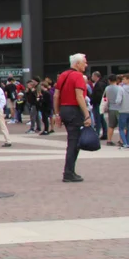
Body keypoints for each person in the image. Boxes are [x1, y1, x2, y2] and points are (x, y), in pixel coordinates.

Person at [53, 53, 91, 183]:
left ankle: (70, 171)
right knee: (74, 143)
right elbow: (79, 96)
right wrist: (87, 115)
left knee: (73, 141)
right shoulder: (78, 76)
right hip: (74, 110)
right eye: (84, 62)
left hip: (64, 109)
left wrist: (57, 113)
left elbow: (56, 96)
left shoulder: (63, 75)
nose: (86, 65)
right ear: (77, 64)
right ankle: (68, 172)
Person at [104, 74, 124, 147]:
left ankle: (109, 140)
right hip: (120, 108)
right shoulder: (120, 88)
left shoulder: (107, 88)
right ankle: (121, 140)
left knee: (111, 125)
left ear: (109, 80)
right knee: (122, 126)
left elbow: (106, 98)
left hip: (111, 108)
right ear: (116, 80)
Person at [89, 70, 107, 140]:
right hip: (99, 103)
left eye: (93, 76)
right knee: (101, 119)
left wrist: (93, 100)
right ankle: (105, 133)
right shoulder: (101, 83)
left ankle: (97, 133)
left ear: (96, 76)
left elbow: (98, 95)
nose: (92, 77)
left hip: (97, 104)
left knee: (98, 119)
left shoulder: (99, 84)